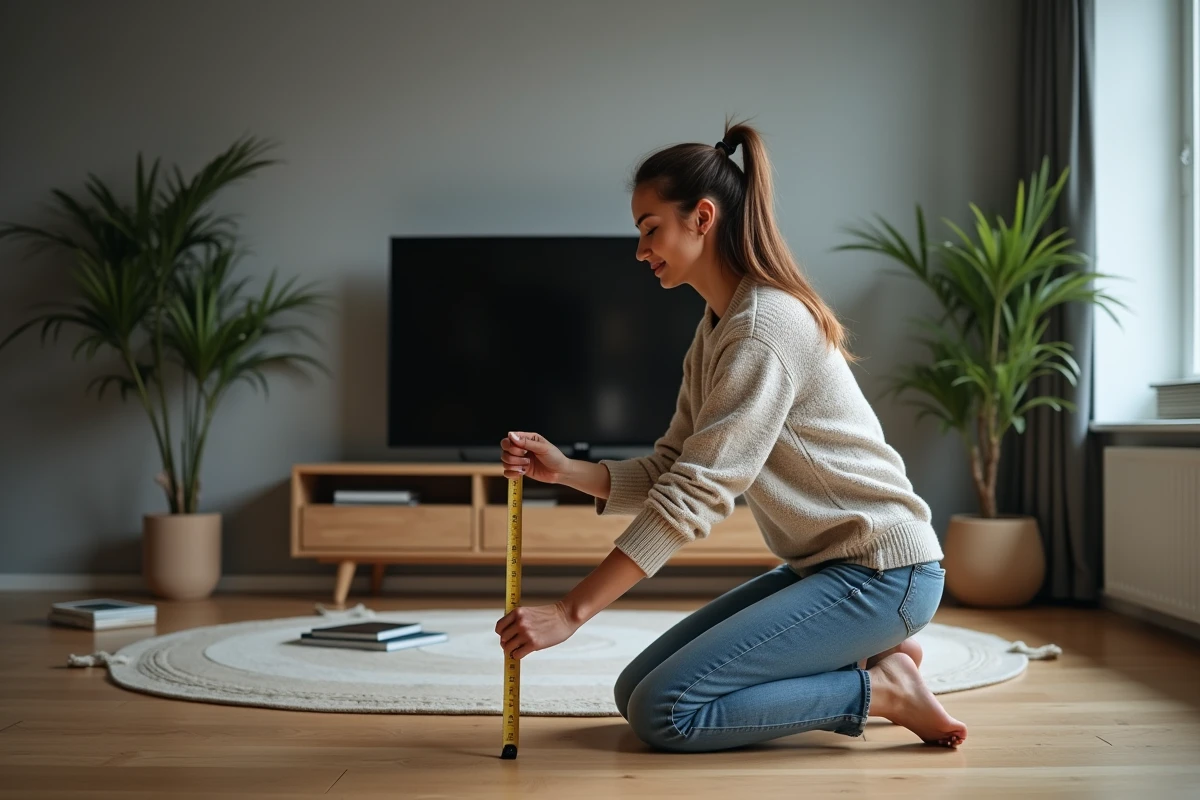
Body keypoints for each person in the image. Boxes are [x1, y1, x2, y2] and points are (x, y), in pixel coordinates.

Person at [494, 121, 966, 753]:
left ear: (702, 217)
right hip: (825, 569)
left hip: (885, 571)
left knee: (666, 712)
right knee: (634, 691)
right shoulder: (718, 326)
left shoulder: (763, 327)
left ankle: (882, 689)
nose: (640, 250)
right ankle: (873, 655)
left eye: (650, 228)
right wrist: (565, 470)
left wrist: (570, 611)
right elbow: (673, 463)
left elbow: (697, 491)